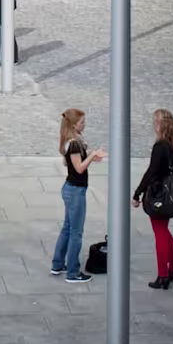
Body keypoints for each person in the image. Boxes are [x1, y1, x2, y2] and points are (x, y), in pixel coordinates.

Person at [133, 108, 173, 290]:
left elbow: (151, 172)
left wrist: (137, 192)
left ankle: (163, 275)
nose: (153, 125)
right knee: (165, 230)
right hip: (170, 195)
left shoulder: (160, 146)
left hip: (159, 196)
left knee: (160, 233)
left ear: (160, 125)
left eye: (155, 121)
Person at [54, 107, 105, 282]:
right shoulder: (74, 143)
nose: (85, 124)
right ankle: (73, 273)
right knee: (76, 232)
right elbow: (79, 168)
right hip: (75, 191)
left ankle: (58, 264)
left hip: (70, 188)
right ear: (74, 125)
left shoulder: (70, 141)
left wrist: (91, 155)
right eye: (82, 122)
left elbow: (76, 162)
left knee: (67, 228)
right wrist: (92, 156)